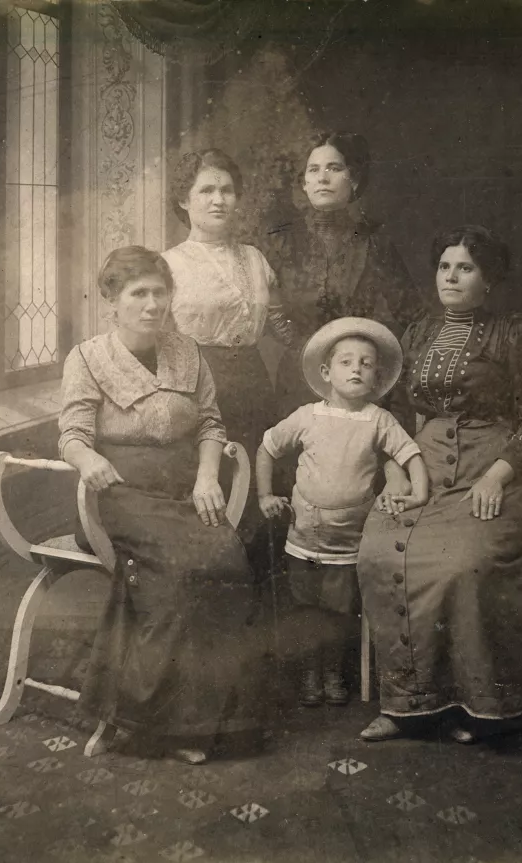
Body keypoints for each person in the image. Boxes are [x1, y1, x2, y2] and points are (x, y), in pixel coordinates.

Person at [58, 246, 266, 764]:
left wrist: (206, 476)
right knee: (179, 572)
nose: (153, 304)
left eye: (160, 292)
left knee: (227, 560)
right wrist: (88, 462)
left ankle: (216, 722)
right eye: (139, 293)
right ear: (113, 299)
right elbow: (72, 434)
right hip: (121, 494)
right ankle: (161, 728)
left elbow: (211, 425)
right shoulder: (87, 357)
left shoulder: (188, 351)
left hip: (184, 491)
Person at [357, 226, 522, 744]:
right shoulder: (418, 332)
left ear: (488, 279)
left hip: (494, 468)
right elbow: (394, 413)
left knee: (465, 562)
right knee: (379, 552)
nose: (451, 276)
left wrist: (497, 474)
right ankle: (405, 707)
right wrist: (394, 467)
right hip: (423, 463)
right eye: (445, 267)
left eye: (464, 268)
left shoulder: (514, 336)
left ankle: (474, 705)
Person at [256, 317, 428, 707]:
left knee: (337, 612)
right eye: (346, 362)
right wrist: (266, 494)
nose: (356, 369)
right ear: (326, 372)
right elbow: (267, 448)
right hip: (302, 537)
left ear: (377, 376)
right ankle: (309, 674)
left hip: (348, 542)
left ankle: (333, 672)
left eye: (366, 364)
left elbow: (410, 454)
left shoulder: (379, 420)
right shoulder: (307, 416)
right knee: (304, 608)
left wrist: (417, 493)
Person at [264, 131, 424, 416]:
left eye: (334, 168)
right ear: (304, 183)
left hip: (357, 383)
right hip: (298, 382)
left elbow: (415, 317)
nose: (322, 178)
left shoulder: (375, 244)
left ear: (355, 180)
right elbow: (265, 309)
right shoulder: (283, 242)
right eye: (313, 170)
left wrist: (387, 365)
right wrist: (301, 345)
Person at [162, 148, 294, 459]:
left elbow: (281, 326)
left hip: (254, 385)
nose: (218, 200)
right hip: (197, 386)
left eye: (227, 191)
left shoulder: (255, 258)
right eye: (206, 190)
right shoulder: (167, 264)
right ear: (184, 199)